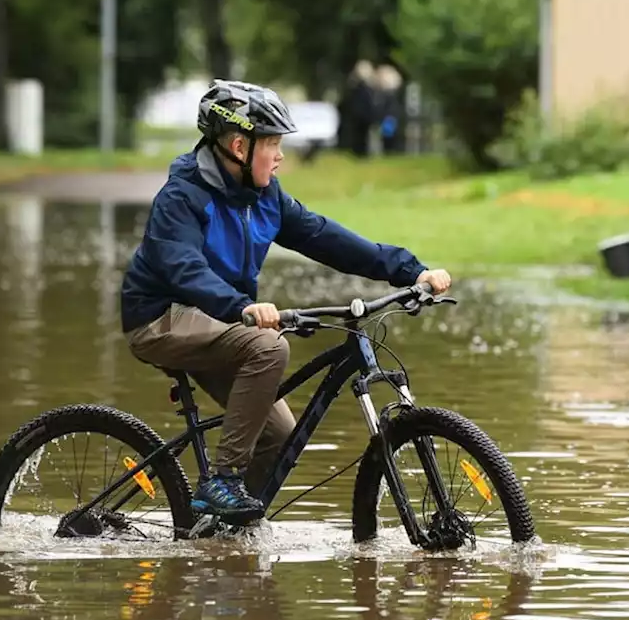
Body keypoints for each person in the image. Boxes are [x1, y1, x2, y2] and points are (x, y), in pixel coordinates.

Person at [120, 79, 451, 525]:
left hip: (219, 319)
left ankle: (221, 532)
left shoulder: (265, 197)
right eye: (272, 144)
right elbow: (183, 269)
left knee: (279, 435)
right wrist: (241, 306)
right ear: (239, 146)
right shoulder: (183, 197)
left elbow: (327, 238)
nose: (280, 156)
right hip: (161, 318)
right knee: (269, 346)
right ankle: (223, 480)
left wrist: (411, 270)